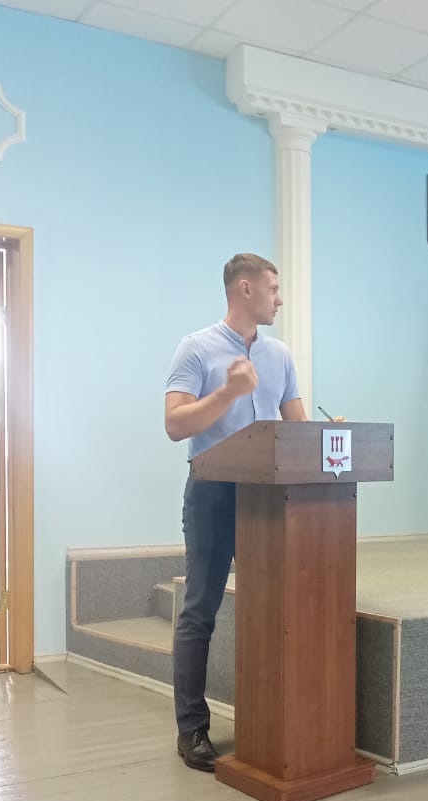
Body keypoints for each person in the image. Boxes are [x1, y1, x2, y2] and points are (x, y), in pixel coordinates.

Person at [164, 253, 307, 772]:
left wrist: (327, 438)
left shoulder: (280, 355)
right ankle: (192, 730)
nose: (280, 299)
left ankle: (268, 719)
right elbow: (175, 425)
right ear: (245, 289)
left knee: (272, 607)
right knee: (200, 610)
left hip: (269, 498)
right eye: (274, 288)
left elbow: (297, 428)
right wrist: (228, 392)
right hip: (214, 493)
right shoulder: (196, 348)